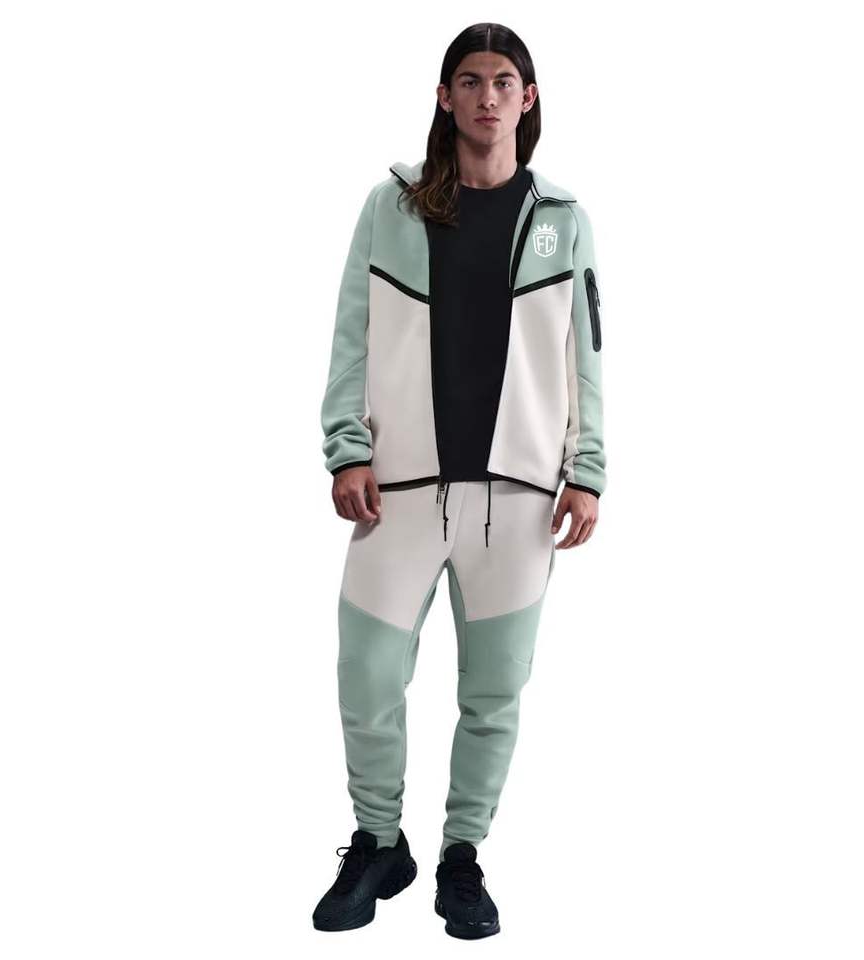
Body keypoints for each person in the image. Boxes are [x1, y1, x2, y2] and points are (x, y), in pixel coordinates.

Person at [312, 22, 606, 939]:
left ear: (528, 98)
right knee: (367, 674)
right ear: (445, 97)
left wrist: (587, 470)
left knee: (493, 692)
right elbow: (352, 333)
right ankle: (378, 842)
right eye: (470, 80)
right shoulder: (392, 206)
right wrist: (346, 448)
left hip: (518, 498)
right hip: (398, 490)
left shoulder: (562, 219)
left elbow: (585, 354)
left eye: (504, 81)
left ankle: (461, 857)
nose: (487, 96)